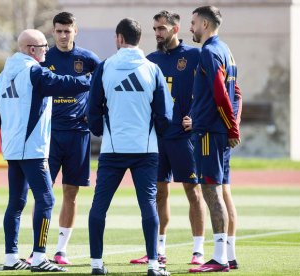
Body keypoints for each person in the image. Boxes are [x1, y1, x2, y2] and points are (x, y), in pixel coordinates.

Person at [0, 29, 90, 273]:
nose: (48, 49)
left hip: (12, 147)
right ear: (31, 49)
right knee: (46, 199)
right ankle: (38, 257)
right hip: (32, 148)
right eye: (44, 45)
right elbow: (66, 85)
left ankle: (10, 256)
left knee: (15, 203)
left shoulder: (2, 75)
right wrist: (92, 79)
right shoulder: (34, 71)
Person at [88, 18, 173, 276]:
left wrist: (101, 131)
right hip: (145, 150)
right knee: (148, 205)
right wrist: (154, 134)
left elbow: (92, 108)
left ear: (119, 38)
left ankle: (96, 264)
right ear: (139, 39)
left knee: (99, 206)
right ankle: (153, 265)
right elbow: (165, 114)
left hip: (113, 150)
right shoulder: (151, 68)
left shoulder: (105, 67)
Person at [130, 10, 206, 266]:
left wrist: (196, 116)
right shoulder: (149, 60)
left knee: (193, 192)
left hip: (184, 137)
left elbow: (207, 90)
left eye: (161, 28)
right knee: (159, 193)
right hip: (157, 137)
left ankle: (198, 251)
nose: (157, 33)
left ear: (176, 28)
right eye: (154, 29)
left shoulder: (194, 56)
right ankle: (158, 250)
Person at [26, 12, 101, 266]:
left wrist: (95, 113)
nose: (62, 35)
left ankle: (61, 249)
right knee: (42, 194)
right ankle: (38, 249)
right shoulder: (44, 59)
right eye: (58, 31)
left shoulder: (88, 59)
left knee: (71, 192)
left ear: (75, 31)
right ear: (53, 32)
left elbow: (102, 86)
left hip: (79, 135)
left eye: (67, 31)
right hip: (49, 135)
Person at [186, 6, 242, 273]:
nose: (191, 28)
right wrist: (233, 125)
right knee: (219, 190)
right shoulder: (226, 50)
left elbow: (221, 93)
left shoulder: (209, 52)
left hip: (209, 131)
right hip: (219, 131)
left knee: (211, 190)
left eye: (194, 23)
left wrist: (231, 128)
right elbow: (237, 93)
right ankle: (229, 255)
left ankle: (219, 258)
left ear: (205, 24)